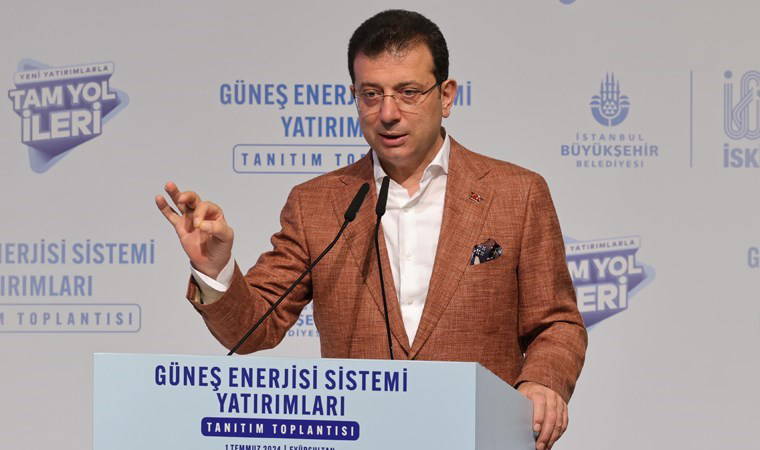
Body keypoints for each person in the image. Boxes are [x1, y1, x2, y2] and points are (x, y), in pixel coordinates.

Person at [156, 10, 586, 450]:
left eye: (409, 92)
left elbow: (557, 323)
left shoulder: (517, 193)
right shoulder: (317, 204)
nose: (388, 113)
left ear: (446, 96)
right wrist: (215, 268)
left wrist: (542, 382)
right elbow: (251, 329)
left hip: (482, 436)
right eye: (371, 94)